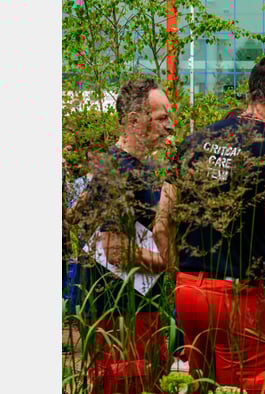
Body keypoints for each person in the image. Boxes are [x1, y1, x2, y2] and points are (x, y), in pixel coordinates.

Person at [154, 56, 265, 394]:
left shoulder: (193, 142)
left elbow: (161, 224)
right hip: (240, 296)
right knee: (259, 383)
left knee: (202, 383)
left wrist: (180, 277)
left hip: (189, 290)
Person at [79, 78, 174, 393]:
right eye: (162, 118)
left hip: (137, 310)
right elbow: (115, 250)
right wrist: (170, 263)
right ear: (135, 120)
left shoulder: (135, 166)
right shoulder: (118, 170)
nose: (170, 126)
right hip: (120, 314)